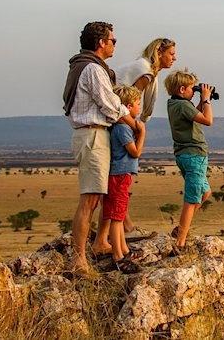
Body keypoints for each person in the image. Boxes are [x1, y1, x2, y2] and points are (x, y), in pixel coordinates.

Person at [62, 21, 136, 276]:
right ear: (101, 42)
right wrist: (134, 123)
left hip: (94, 135)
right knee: (91, 198)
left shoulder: (84, 65)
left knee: (102, 196)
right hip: (93, 135)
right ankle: (79, 258)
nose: (115, 44)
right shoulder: (93, 68)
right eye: (113, 40)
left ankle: (100, 242)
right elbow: (110, 104)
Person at [98, 38, 176, 240]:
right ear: (159, 51)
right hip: (121, 122)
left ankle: (120, 229)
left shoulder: (147, 69)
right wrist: (138, 128)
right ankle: (119, 231)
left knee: (116, 184)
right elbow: (133, 100)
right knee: (119, 181)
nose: (174, 58)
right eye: (171, 53)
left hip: (116, 120)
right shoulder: (146, 71)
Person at [97, 85, 144, 274]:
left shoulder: (118, 127)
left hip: (116, 174)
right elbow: (135, 152)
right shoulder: (123, 128)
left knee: (115, 212)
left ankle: (123, 249)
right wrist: (142, 134)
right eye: (138, 104)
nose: (139, 107)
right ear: (128, 106)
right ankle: (118, 255)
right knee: (117, 216)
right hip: (120, 174)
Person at [164, 69, 214, 249]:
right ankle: (181, 242)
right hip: (194, 155)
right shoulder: (184, 106)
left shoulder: (174, 104)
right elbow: (207, 120)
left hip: (184, 155)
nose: (195, 92)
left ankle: (180, 228)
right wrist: (207, 99)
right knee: (192, 199)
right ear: (182, 89)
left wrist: (201, 101)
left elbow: (195, 116)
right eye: (193, 89)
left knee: (205, 193)